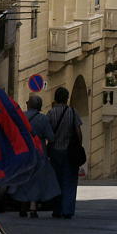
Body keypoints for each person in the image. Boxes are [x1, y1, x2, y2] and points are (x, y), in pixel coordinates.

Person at [8, 94, 60, 217]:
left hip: (23, 150)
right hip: (39, 151)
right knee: (36, 180)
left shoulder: (21, 117)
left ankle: (23, 207)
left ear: (29, 104)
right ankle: (33, 208)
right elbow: (51, 137)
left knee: (23, 178)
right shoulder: (43, 119)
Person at [46, 86, 82, 219]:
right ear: (67, 98)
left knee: (56, 181)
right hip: (69, 152)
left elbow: (48, 133)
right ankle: (67, 210)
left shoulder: (50, 113)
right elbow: (78, 132)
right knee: (69, 181)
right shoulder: (73, 112)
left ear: (55, 98)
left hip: (55, 151)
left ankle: (57, 210)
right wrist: (78, 146)